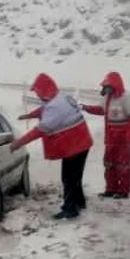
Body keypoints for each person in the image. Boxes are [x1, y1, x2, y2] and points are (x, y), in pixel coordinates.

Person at [12, 73, 93, 220]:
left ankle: (70, 209)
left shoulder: (56, 106)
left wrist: (18, 143)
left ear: (44, 89)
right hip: (80, 142)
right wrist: (30, 115)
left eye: (37, 90)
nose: (36, 94)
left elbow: (40, 130)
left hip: (74, 145)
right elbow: (44, 109)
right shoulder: (59, 97)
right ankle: (78, 202)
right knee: (75, 176)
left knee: (68, 178)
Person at [81, 71, 130, 199]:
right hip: (111, 137)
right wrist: (86, 107)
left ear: (116, 85)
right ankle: (111, 188)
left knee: (123, 164)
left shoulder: (127, 97)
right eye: (105, 87)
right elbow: (101, 110)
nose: (106, 89)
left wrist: (129, 135)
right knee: (109, 163)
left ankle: (123, 190)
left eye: (108, 86)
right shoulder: (107, 98)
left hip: (124, 137)